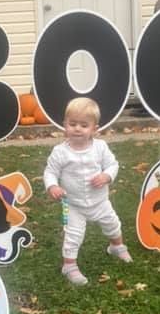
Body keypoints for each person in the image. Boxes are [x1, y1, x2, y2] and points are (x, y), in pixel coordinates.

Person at [44, 96, 132, 286]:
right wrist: (53, 185)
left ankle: (116, 246)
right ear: (64, 125)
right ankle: (69, 265)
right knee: (73, 234)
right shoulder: (60, 152)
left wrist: (107, 176)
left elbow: (112, 164)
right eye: (72, 123)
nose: (77, 128)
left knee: (112, 224)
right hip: (74, 204)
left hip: (100, 201)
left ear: (94, 129)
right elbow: (50, 171)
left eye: (83, 125)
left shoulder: (100, 147)